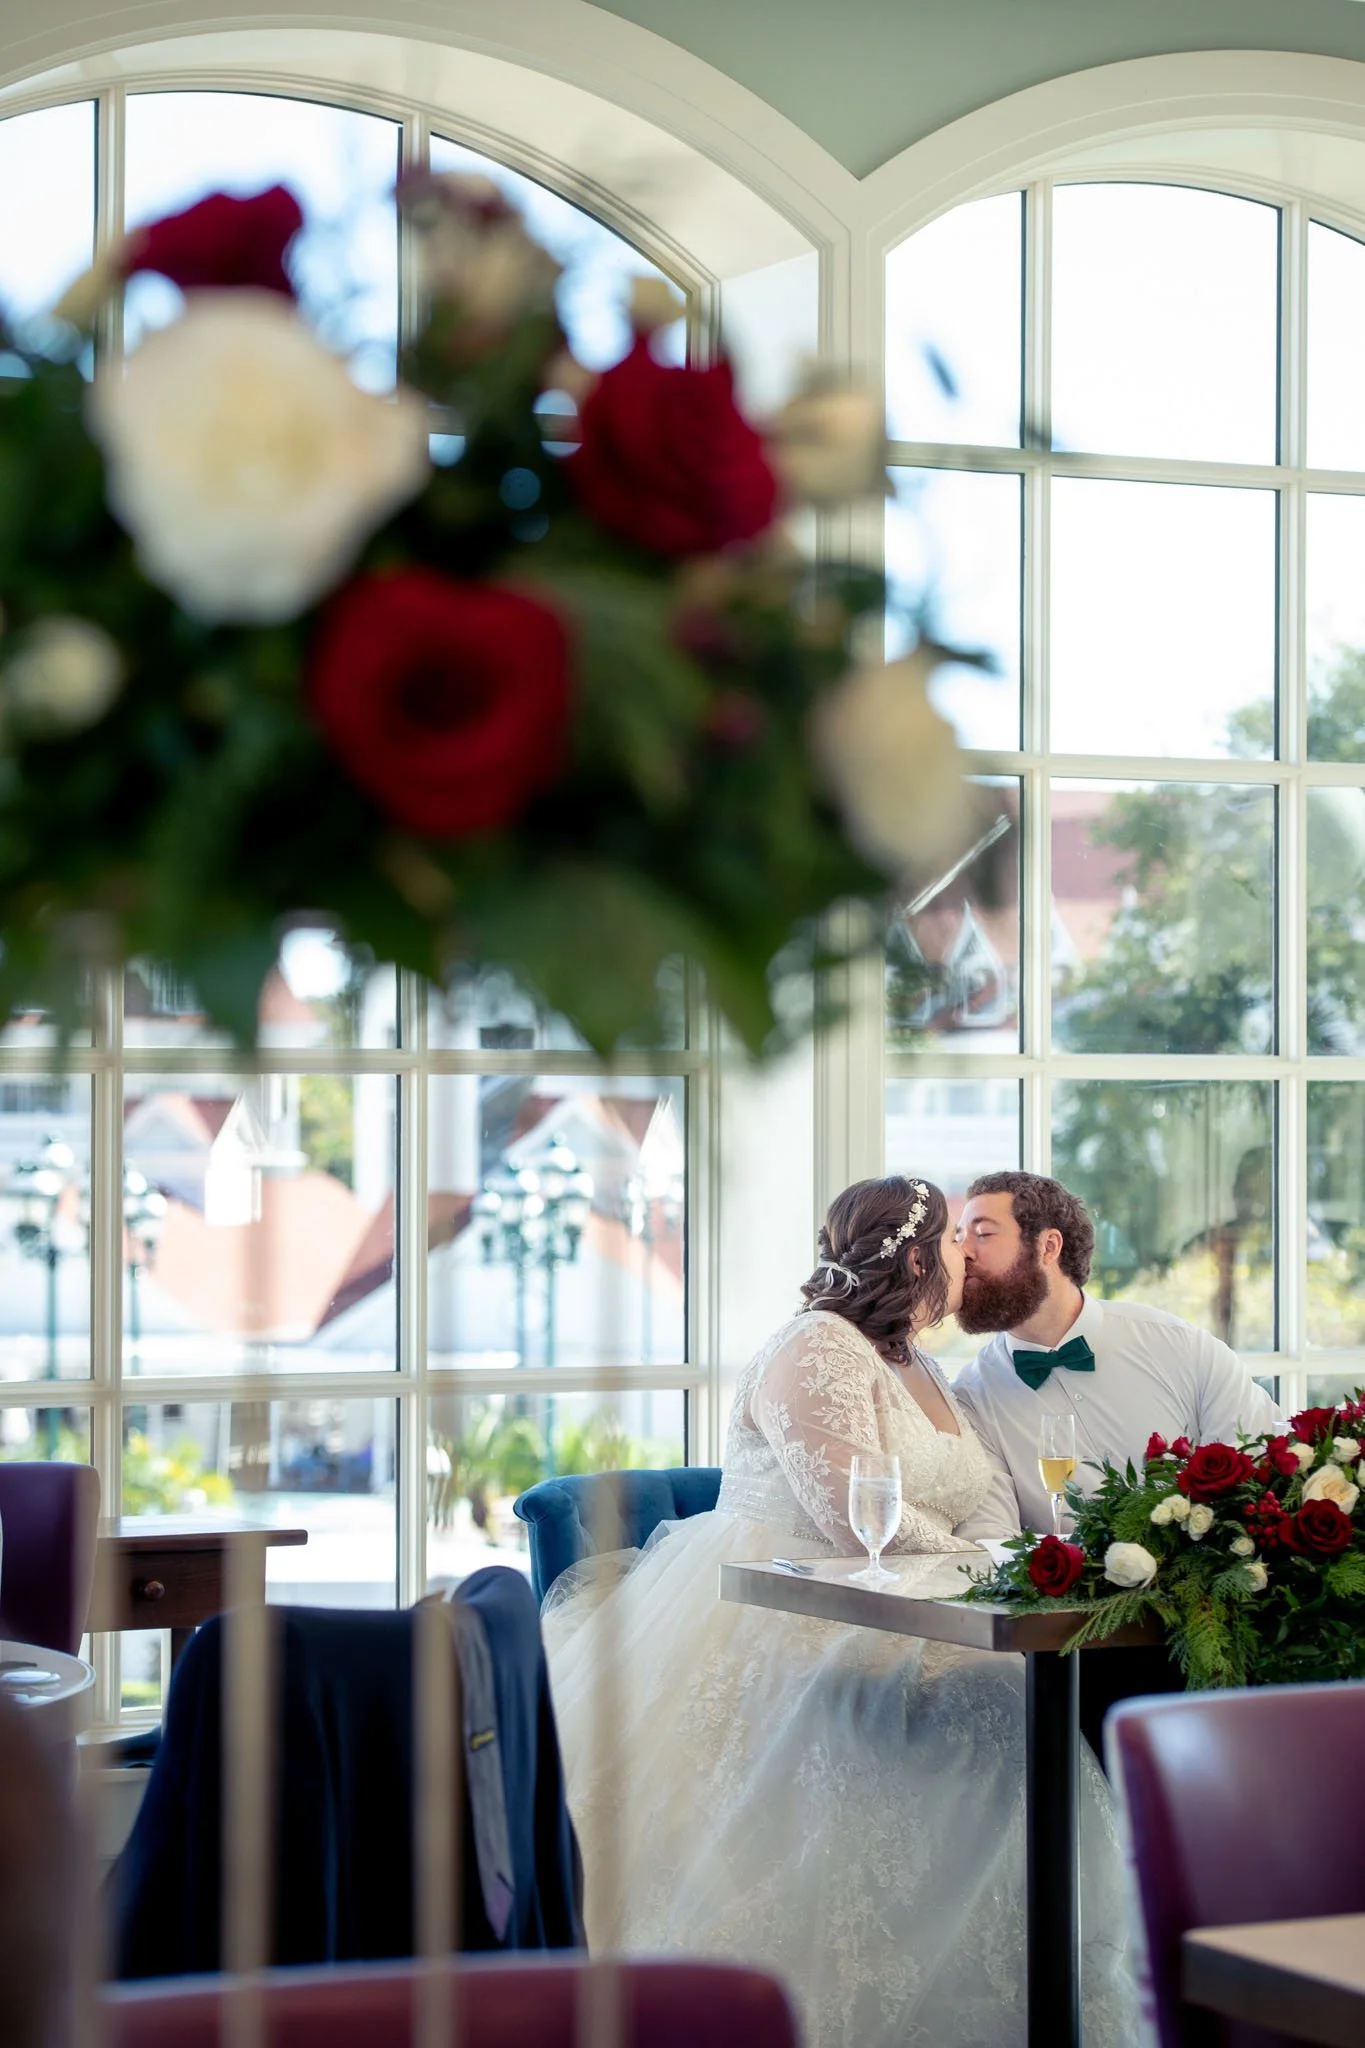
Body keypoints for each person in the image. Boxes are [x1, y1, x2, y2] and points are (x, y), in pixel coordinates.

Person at [543, 1175, 1135, 2048]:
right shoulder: (815, 1347)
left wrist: (997, 1554)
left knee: (1008, 1711)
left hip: (917, 1601)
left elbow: (980, 1499)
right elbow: (852, 1511)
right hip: (782, 1604)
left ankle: (1036, 2003)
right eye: (950, 1243)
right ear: (911, 1255)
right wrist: (976, 1560)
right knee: (949, 1724)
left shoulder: (918, 1360)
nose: (963, 1258)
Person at [951, 1169, 1283, 1755]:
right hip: (1078, 1645)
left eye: (982, 1232)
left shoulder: (1177, 1346)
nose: (963, 1253)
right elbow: (990, 1534)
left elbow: (1260, 1462)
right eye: (958, 1236)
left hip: (1212, 1620)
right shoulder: (974, 1391)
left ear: (1047, 1246)